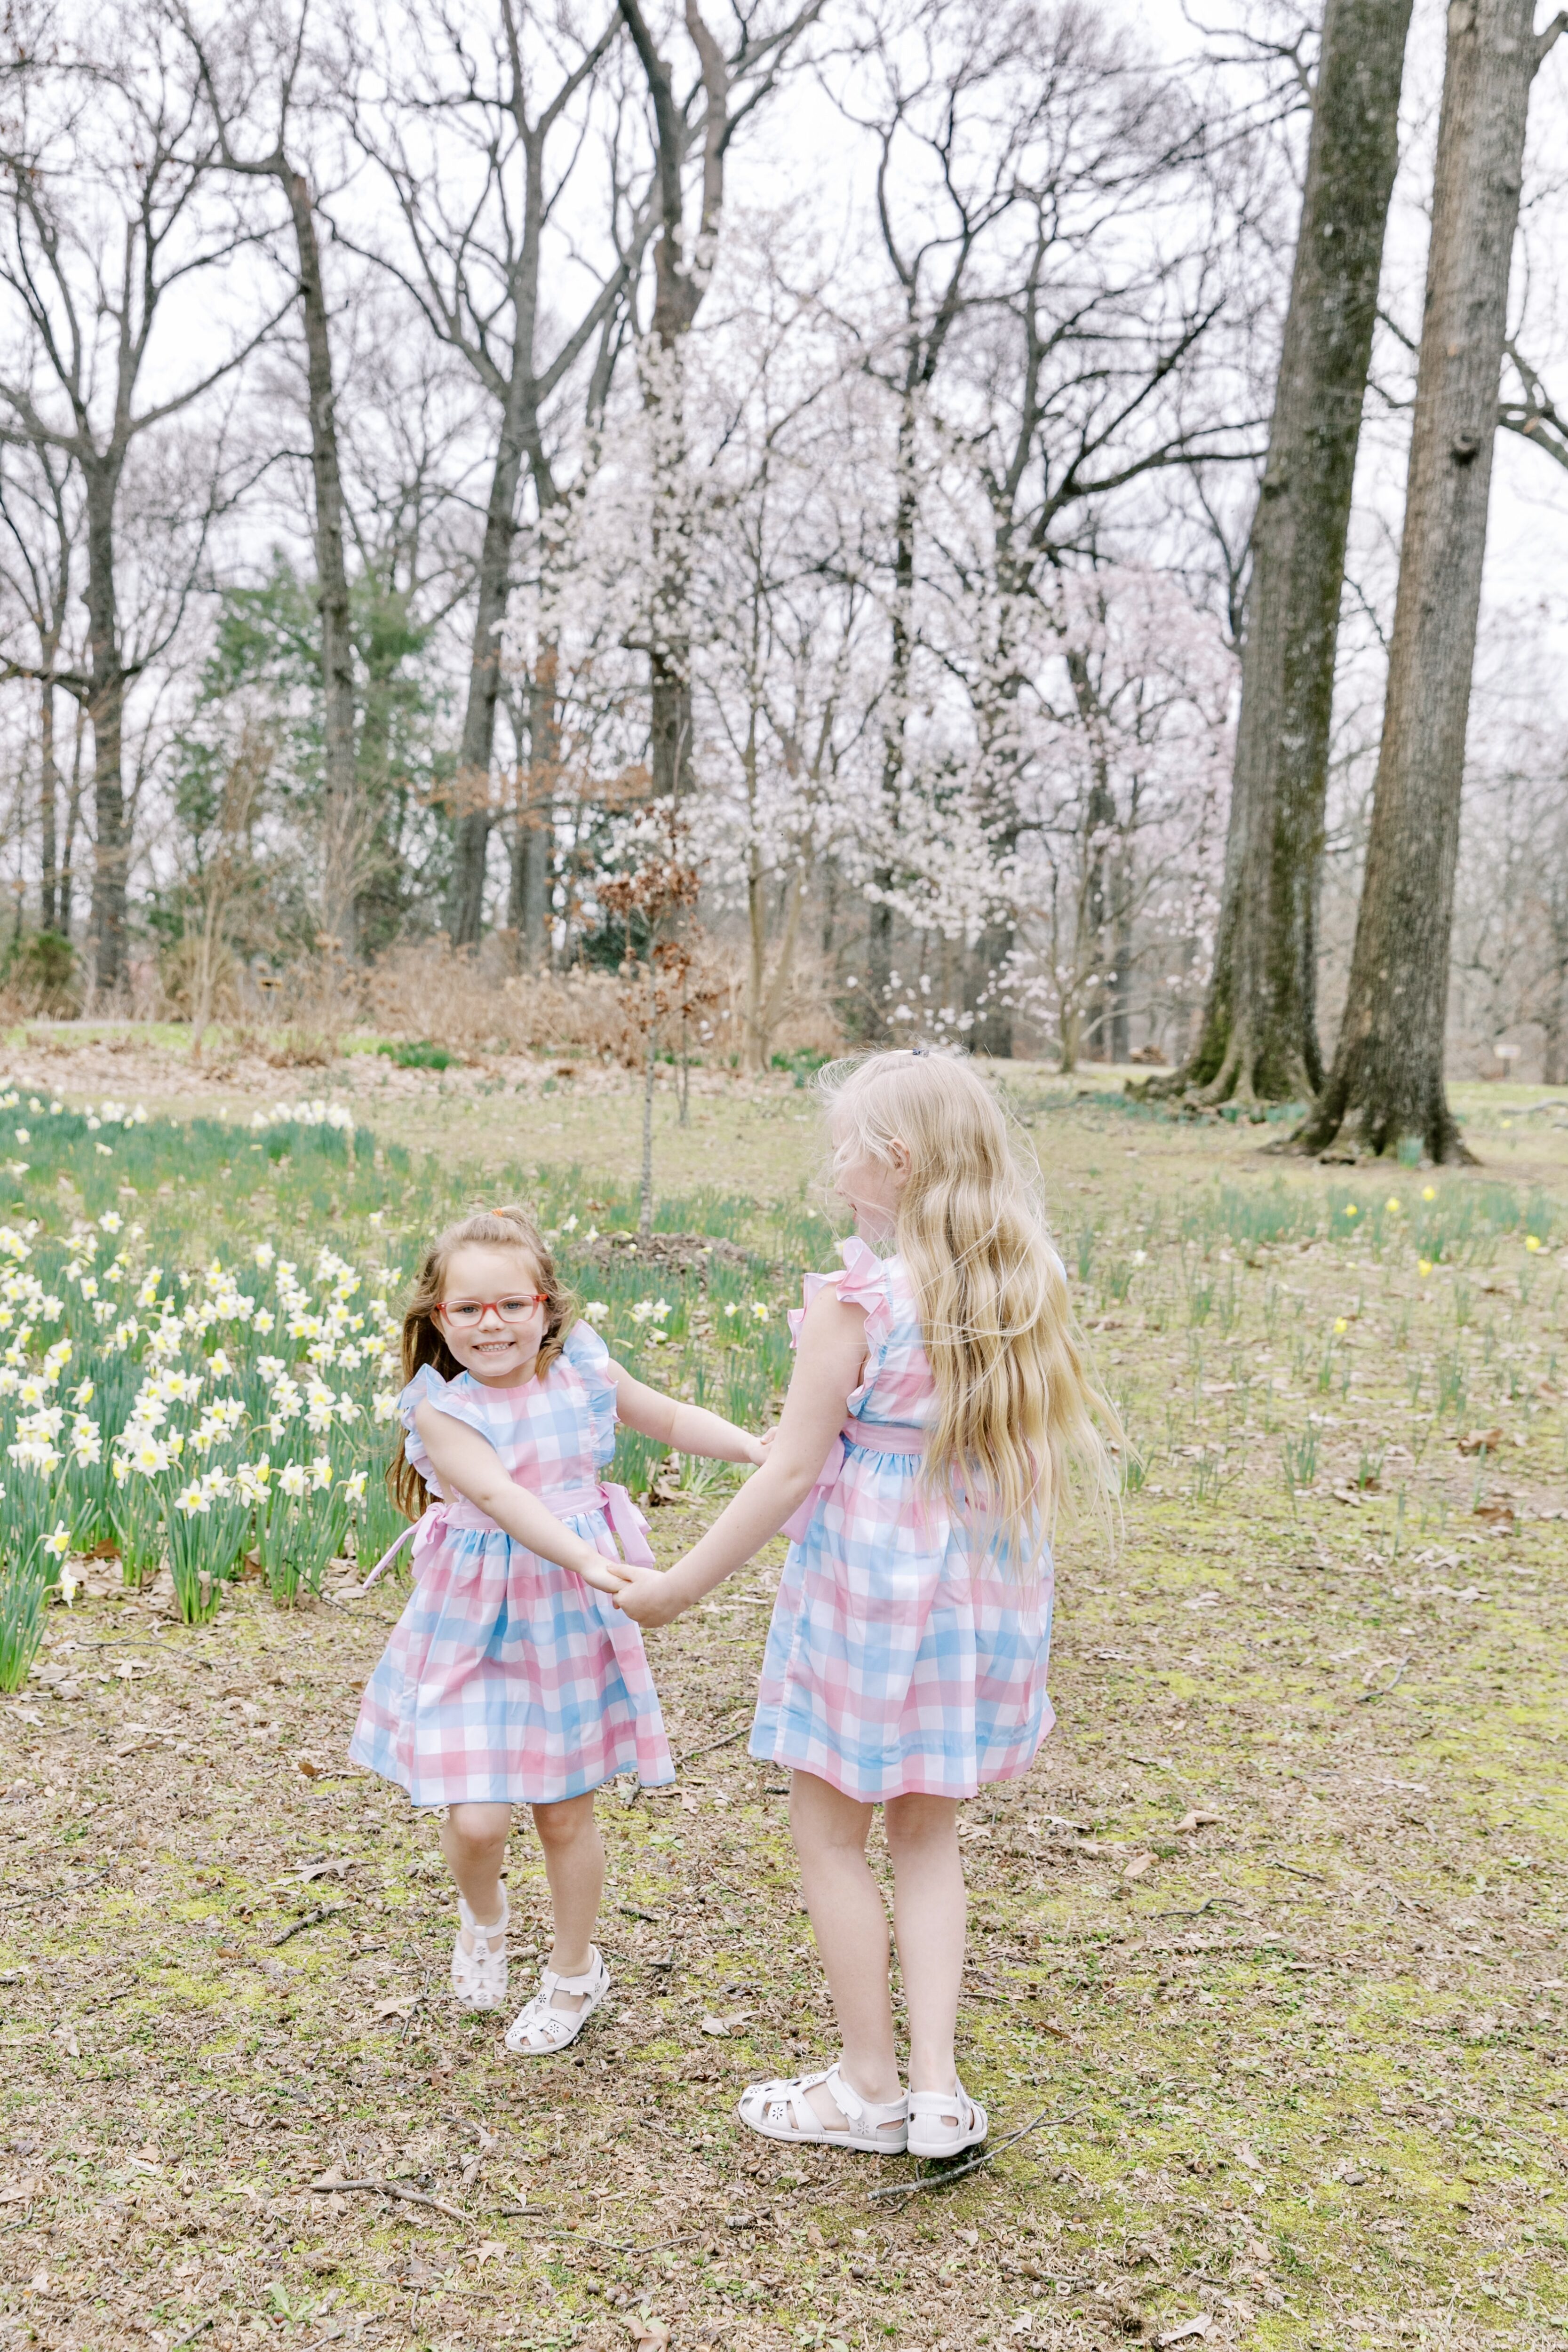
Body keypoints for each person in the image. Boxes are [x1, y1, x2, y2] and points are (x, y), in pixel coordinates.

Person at [612, 1051, 1114, 2157]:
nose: (831, 1163)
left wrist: (677, 1587)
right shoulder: (1024, 1282)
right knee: (927, 1836)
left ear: (891, 1160)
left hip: (865, 1593)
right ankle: (938, 2093)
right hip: (976, 1588)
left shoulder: (859, 1303)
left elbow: (790, 1472)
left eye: (843, 1143)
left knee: (831, 1835)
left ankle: (866, 2084)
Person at [349, 1205, 764, 2054]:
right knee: (475, 1823)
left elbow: (674, 1420)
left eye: (511, 1304)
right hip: (476, 1620)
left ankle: (573, 1972)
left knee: (562, 1814)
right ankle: (485, 1918)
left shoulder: (582, 1375)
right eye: (468, 1309)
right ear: (439, 1318)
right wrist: (585, 1557)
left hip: (567, 1624)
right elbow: (503, 1500)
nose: (490, 1324)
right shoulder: (441, 1409)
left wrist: (763, 1455)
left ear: (546, 1306)